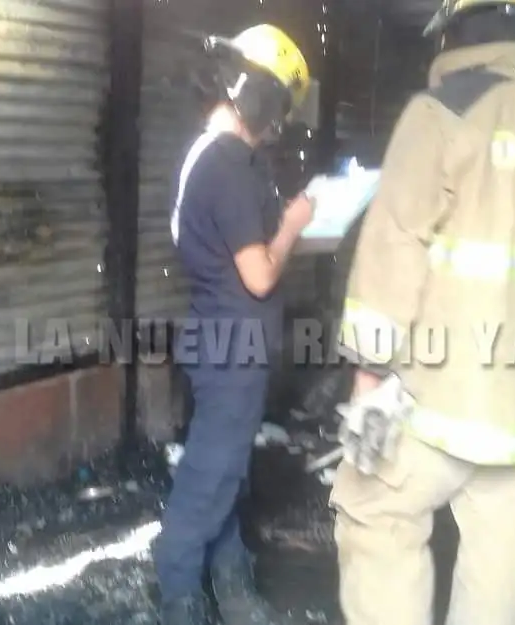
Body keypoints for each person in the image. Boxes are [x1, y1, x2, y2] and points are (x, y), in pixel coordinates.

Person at [328, 1, 515, 623]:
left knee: (376, 514)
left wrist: (368, 381)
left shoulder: (440, 114)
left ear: (455, 33)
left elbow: (392, 252)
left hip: (437, 401)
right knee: (501, 564)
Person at [154, 24, 316, 625]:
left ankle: (229, 572)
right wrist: (294, 225)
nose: (277, 126)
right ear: (261, 97)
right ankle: (179, 590)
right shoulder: (227, 164)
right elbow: (260, 275)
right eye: (279, 110)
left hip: (223, 341)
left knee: (226, 472)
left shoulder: (219, 157)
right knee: (210, 476)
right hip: (230, 349)